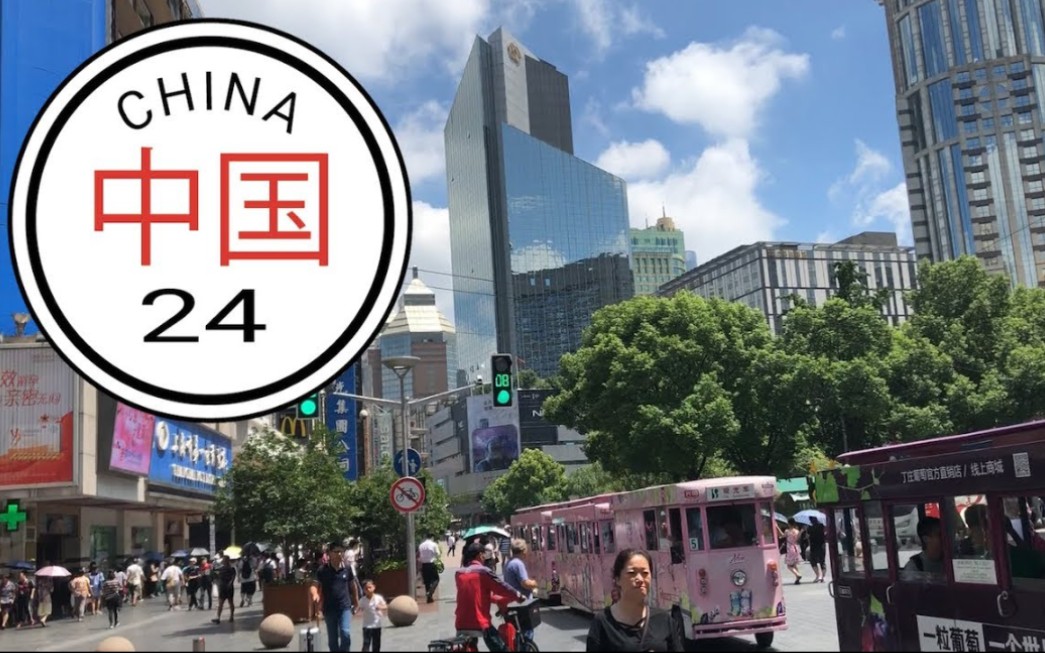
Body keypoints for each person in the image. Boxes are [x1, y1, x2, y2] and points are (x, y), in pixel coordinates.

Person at [585, 549, 684, 652]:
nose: (640, 579)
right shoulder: (603, 623)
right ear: (617, 579)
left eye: (645, 573)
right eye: (632, 573)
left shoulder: (664, 620)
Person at [455, 541, 523, 652]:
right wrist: (517, 595)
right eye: (484, 554)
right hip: (480, 622)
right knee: (501, 648)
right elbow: (502, 587)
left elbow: (476, 594)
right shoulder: (484, 572)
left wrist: (495, 599)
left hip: (461, 622)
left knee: (471, 647)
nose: (485, 557)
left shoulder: (459, 573)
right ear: (479, 555)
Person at [316, 543, 360, 652]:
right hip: (329, 609)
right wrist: (315, 596)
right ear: (330, 554)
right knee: (333, 640)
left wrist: (356, 602)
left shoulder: (347, 568)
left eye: (341, 551)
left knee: (345, 633)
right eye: (336, 552)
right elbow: (315, 585)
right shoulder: (322, 570)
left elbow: (352, 586)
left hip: (344, 607)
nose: (339, 554)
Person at [503, 539, 539, 643]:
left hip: (512, 602)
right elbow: (525, 583)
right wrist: (534, 583)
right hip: (522, 603)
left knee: (516, 633)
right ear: (523, 551)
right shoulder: (518, 564)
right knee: (527, 632)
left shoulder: (509, 563)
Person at [360, 579, 387, 652]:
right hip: (366, 626)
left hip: (377, 625)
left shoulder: (378, 598)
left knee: (376, 644)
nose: (368, 590)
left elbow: (385, 606)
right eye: (365, 588)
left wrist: (380, 607)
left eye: (369, 587)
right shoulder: (362, 600)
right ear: (363, 590)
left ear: (374, 587)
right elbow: (360, 608)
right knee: (366, 643)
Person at [212, 556, 237, 624]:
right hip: (223, 587)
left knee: (230, 602)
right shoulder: (221, 569)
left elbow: (233, 577)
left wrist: (229, 583)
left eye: (225, 560)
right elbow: (216, 575)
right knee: (221, 603)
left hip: (228, 587)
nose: (224, 561)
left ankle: (231, 616)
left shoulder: (231, 568)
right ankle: (218, 617)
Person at [419, 534, 441, 603]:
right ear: (432, 537)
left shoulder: (421, 545)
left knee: (427, 582)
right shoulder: (433, 544)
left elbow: (420, 555)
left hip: (424, 565)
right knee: (436, 579)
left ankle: (429, 598)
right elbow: (438, 554)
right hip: (431, 563)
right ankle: (430, 592)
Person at [807, 516, 827, 583]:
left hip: (813, 546)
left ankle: (817, 576)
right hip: (822, 546)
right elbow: (825, 533)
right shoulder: (821, 525)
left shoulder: (809, 527)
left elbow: (808, 537)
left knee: (813, 561)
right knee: (822, 561)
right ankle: (823, 578)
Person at [782, 519, 803, 584]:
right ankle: (797, 579)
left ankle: (797, 574)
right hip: (796, 548)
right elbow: (798, 539)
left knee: (789, 565)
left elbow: (782, 536)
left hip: (790, 548)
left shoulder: (787, 531)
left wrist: (777, 527)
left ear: (789, 524)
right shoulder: (797, 531)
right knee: (794, 564)